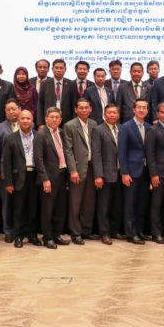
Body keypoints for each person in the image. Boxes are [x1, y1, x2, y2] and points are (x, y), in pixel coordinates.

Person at [1, 110, 41, 248]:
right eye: (22, 118)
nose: (25, 121)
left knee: (33, 208)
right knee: (19, 209)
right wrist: (8, 182)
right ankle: (18, 236)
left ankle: (32, 235)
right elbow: (6, 163)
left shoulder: (38, 136)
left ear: (32, 120)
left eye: (28, 118)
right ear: (18, 121)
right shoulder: (10, 138)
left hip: (35, 176)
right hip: (18, 177)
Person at [64, 99, 98, 244]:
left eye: (86, 108)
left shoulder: (94, 124)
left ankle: (86, 230)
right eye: (81, 108)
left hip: (92, 168)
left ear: (90, 109)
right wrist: (73, 170)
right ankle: (75, 232)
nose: (84, 110)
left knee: (89, 202)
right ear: (76, 110)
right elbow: (68, 150)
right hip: (77, 169)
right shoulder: (69, 125)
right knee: (75, 203)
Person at [35, 107, 71, 249]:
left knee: (60, 209)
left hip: (62, 175)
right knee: (47, 210)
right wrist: (45, 179)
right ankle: (48, 237)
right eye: (52, 117)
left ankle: (56, 235)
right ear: (46, 119)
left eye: (57, 117)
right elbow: (38, 159)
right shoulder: (41, 134)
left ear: (61, 119)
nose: (54, 119)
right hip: (49, 178)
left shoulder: (61, 132)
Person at [118, 99, 151, 244]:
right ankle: (131, 234)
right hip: (131, 172)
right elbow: (122, 152)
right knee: (130, 204)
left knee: (142, 203)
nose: (142, 110)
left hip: (145, 171)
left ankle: (139, 231)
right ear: (134, 110)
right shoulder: (126, 127)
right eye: (139, 107)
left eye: (144, 108)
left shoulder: (149, 127)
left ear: (147, 110)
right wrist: (124, 173)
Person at [144, 102, 164, 244]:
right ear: (157, 114)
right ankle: (156, 233)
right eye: (162, 112)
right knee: (156, 205)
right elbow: (149, 154)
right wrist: (154, 174)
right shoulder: (152, 130)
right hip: (159, 173)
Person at [91, 104, 123, 245]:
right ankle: (104, 233)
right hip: (105, 174)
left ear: (118, 115)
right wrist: (98, 175)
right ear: (104, 115)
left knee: (117, 204)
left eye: (114, 113)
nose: (112, 115)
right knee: (104, 205)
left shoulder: (122, 128)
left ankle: (114, 230)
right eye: (109, 113)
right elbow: (96, 154)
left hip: (121, 173)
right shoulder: (98, 130)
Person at [0, 99, 20, 242]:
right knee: (7, 203)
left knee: (21, 202)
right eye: (8, 110)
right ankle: (8, 230)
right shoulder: (0, 128)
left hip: (23, 171)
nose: (11, 112)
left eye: (14, 109)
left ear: (19, 109)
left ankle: (20, 229)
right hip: (5, 171)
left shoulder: (27, 124)